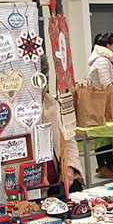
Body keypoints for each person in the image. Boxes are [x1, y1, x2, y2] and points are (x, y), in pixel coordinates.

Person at [40, 54, 83, 192]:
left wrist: (70, 167)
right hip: (31, 185)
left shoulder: (51, 103)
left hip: (57, 180)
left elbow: (68, 137)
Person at [87, 32, 113, 178]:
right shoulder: (102, 60)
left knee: (106, 135)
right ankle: (103, 166)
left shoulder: (104, 58)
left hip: (100, 101)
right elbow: (106, 84)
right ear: (108, 46)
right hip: (99, 102)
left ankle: (110, 163)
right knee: (102, 135)